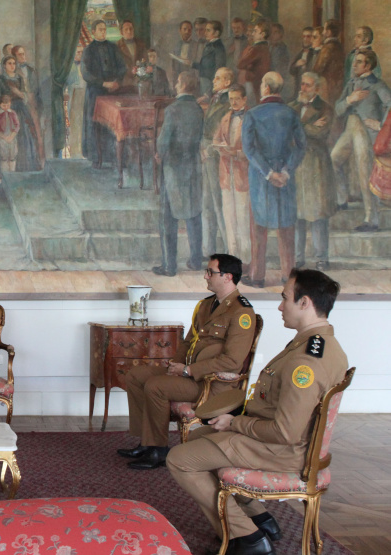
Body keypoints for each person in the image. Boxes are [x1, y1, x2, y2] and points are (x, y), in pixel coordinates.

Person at [168, 268, 348, 555]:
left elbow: (285, 433)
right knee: (200, 433)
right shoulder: (319, 345)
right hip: (277, 440)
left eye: (285, 298)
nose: (279, 306)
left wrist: (234, 424)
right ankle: (259, 516)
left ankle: (247, 538)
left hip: (282, 449)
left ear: (305, 303)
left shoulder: (306, 363)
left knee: (179, 459)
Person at [121, 253, 256, 469]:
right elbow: (187, 342)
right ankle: (146, 442)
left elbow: (232, 361)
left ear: (227, 277)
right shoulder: (205, 305)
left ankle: (159, 450)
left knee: (156, 386)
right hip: (189, 375)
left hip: (213, 384)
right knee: (135, 376)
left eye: (210, 272)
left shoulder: (242, 312)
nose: (206, 276)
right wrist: (175, 366)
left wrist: (188, 370)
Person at [242, 72, 306, 288]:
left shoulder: (252, 114)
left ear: (266, 88)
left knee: (259, 226)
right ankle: (289, 276)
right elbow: (300, 147)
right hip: (286, 177)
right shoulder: (291, 113)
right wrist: (285, 172)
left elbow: (249, 149)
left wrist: (268, 173)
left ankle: (257, 276)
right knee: (286, 226)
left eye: (261, 84)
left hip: (261, 177)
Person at [332, 51, 391, 232]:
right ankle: (341, 200)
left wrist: (380, 124)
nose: (354, 65)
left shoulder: (377, 84)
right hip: (351, 127)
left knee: (365, 171)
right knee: (333, 159)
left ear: (368, 66)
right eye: (355, 62)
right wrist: (350, 99)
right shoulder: (351, 84)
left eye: (358, 62)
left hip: (366, 132)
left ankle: (371, 218)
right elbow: (338, 109)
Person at [153, 71, 204, 277]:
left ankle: (169, 265)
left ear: (183, 85)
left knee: (168, 216)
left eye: (177, 82)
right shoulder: (198, 109)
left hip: (173, 166)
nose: (175, 85)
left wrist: (159, 154)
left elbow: (164, 140)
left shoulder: (173, 109)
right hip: (192, 166)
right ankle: (195, 260)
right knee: (193, 213)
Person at [291, 73, 336, 271]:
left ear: (316, 89)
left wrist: (298, 127)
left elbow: (320, 133)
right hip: (297, 166)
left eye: (308, 85)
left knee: (318, 215)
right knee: (297, 215)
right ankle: (298, 257)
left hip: (316, 166)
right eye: (302, 84)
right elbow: (286, 131)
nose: (303, 88)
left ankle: (321, 257)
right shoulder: (292, 107)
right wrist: (306, 126)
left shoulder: (325, 108)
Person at [213, 86, 252, 265]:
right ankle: (232, 257)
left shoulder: (250, 118)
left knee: (243, 218)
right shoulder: (226, 118)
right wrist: (221, 147)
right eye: (231, 98)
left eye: (237, 98)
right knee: (229, 218)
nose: (233, 102)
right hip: (226, 174)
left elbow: (254, 146)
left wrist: (238, 153)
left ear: (244, 99)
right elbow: (216, 140)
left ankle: (245, 259)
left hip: (243, 174)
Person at [80, 20, 126, 165]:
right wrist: (102, 83)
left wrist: (117, 82)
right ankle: (96, 157)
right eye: (100, 29)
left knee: (112, 123)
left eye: (104, 29)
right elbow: (85, 73)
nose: (103, 32)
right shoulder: (88, 50)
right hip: (95, 92)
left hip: (113, 91)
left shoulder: (113, 48)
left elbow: (122, 67)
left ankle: (113, 157)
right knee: (96, 124)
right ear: (93, 32)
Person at [200, 68, 235, 259]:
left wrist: (209, 148)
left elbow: (224, 131)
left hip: (216, 154)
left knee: (219, 202)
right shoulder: (216, 99)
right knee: (207, 201)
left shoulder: (228, 102)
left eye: (218, 78)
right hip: (206, 152)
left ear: (228, 82)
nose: (213, 80)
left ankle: (229, 249)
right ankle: (209, 249)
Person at [0, 56, 40, 173]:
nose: (12, 66)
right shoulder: (0, 79)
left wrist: (18, 93)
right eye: (9, 63)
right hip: (5, 110)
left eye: (14, 63)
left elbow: (24, 95)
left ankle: (24, 166)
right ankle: (6, 170)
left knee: (24, 134)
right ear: (4, 65)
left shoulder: (19, 78)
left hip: (20, 109)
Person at [236, 21, 271, 104]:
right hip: (260, 81)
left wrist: (249, 66)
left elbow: (240, 64)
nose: (252, 34)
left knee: (253, 104)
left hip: (254, 81)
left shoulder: (257, 48)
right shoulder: (265, 47)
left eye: (255, 31)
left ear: (262, 35)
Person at [313, 20, 344, 105]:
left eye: (324, 29)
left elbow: (318, 68)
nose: (323, 32)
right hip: (337, 85)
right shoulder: (339, 46)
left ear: (329, 32)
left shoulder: (328, 47)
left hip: (327, 85)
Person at [64, 46, 87, 158]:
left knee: (85, 124)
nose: (80, 54)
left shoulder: (86, 65)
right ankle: (75, 153)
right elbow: (64, 83)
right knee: (75, 124)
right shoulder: (69, 67)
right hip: (74, 95)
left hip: (86, 95)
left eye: (82, 52)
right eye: (78, 52)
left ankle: (85, 151)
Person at [192, 21, 226, 95]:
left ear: (216, 33)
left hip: (210, 80)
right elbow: (205, 65)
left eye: (208, 30)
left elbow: (219, 66)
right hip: (205, 79)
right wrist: (192, 64)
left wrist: (215, 81)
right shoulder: (209, 44)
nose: (205, 33)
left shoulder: (218, 47)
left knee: (207, 100)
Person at [117, 20, 149, 90]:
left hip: (139, 82)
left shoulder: (141, 45)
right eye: (126, 29)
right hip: (124, 83)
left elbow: (146, 62)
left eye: (131, 29)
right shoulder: (117, 46)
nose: (129, 31)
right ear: (121, 32)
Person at [0, 94, 20, 173]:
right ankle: (5, 174)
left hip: (12, 136)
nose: (6, 107)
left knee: (12, 155)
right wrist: (4, 137)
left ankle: (12, 173)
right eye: (4, 105)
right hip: (2, 137)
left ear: (10, 104)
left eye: (8, 105)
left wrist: (12, 136)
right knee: (3, 156)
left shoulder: (13, 113)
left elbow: (17, 125)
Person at [290, 27, 315, 98]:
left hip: (310, 89)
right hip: (298, 89)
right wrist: (296, 64)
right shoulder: (300, 53)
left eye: (308, 36)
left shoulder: (315, 53)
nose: (305, 39)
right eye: (304, 36)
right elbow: (291, 70)